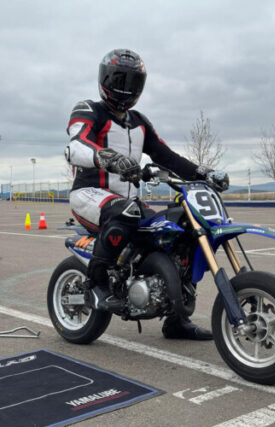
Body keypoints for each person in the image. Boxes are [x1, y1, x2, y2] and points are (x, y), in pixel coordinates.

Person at [65, 49, 229, 339]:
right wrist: (108, 158)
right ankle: (98, 285)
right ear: (105, 80)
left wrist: (204, 173)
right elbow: (76, 145)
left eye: (132, 82)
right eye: (119, 80)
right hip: (90, 193)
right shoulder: (89, 110)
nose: (125, 88)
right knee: (126, 213)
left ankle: (176, 320)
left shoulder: (139, 122)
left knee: (179, 231)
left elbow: (166, 155)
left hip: (128, 202)